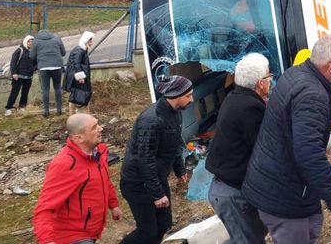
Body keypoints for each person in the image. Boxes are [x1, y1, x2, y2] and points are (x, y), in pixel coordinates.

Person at [242, 35, 331, 244]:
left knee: (312, 227)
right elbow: (309, 154)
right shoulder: (312, 95)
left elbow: (300, 105)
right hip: (283, 196)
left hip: (279, 181)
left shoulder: (296, 74)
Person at [205, 53, 271, 243]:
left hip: (228, 188)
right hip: (232, 193)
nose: (270, 81)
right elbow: (264, 150)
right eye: (268, 77)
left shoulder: (236, 97)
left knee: (251, 236)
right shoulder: (250, 107)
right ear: (260, 83)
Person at [120, 75, 193, 244]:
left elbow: (174, 143)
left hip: (156, 178)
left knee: (163, 224)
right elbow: (144, 159)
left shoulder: (175, 113)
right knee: (147, 232)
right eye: (188, 96)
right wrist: (157, 194)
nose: (192, 99)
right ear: (175, 95)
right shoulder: (151, 120)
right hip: (138, 183)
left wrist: (179, 169)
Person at [33, 114, 122, 244]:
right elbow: (44, 208)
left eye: (98, 124)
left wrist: (113, 205)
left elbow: (104, 180)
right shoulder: (65, 165)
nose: (101, 129)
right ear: (79, 138)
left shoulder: (99, 152)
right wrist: (46, 240)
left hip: (92, 230)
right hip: (73, 236)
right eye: (94, 127)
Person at [30, 29, 66, 117]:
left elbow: (31, 56)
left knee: (45, 89)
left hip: (43, 67)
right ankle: (59, 109)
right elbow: (63, 53)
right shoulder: (57, 38)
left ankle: (46, 111)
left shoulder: (36, 41)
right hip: (57, 66)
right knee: (57, 88)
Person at [64, 31, 94, 115]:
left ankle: (79, 115)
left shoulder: (82, 49)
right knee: (78, 96)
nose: (91, 43)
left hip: (78, 77)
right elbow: (76, 64)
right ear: (85, 41)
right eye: (90, 41)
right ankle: (77, 115)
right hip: (77, 78)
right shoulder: (79, 50)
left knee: (77, 96)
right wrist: (80, 77)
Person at [5, 35, 35, 116]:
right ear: (26, 41)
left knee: (25, 93)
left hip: (28, 77)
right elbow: (13, 62)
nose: (31, 43)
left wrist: (33, 69)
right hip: (18, 76)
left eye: (32, 42)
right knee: (14, 92)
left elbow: (35, 63)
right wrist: (14, 73)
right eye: (29, 41)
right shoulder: (19, 50)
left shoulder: (33, 52)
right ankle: (9, 108)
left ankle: (22, 107)